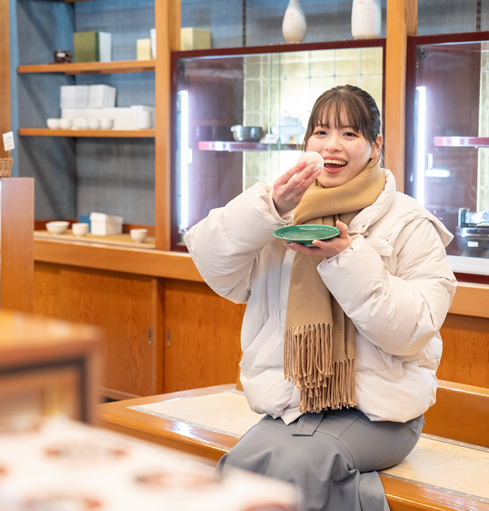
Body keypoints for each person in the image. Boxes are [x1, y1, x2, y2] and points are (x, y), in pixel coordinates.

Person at [184, 84, 456, 511]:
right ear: (306, 142)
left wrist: (346, 258)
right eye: (322, 132)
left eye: (349, 133)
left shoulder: (409, 222)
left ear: (375, 145)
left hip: (381, 415)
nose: (332, 145)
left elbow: (412, 330)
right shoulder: (283, 215)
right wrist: (269, 205)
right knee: (241, 467)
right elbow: (214, 264)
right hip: (294, 407)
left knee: (300, 466)